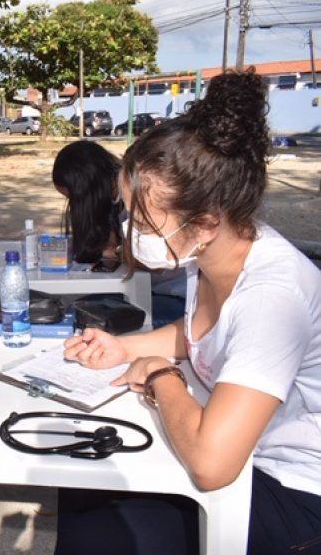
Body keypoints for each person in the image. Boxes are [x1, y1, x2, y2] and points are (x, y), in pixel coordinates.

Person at [57, 70, 321, 555]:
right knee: (81, 480)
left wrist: (162, 377)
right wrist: (125, 347)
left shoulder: (271, 297)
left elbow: (211, 464)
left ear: (203, 223)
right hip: (248, 453)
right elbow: (204, 332)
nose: (128, 229)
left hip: (293, 491)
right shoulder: (216, 253)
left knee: (99, 534)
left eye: (142, 219)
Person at [52, 139, 186, 328]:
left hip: (179, 299)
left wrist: (117, 251)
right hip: (152, 290)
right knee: (79, 307)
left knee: (86, 320)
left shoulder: (141, 198)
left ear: (86, 191)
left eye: (73, 198)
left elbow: (159, 262)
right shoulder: (115, 202)